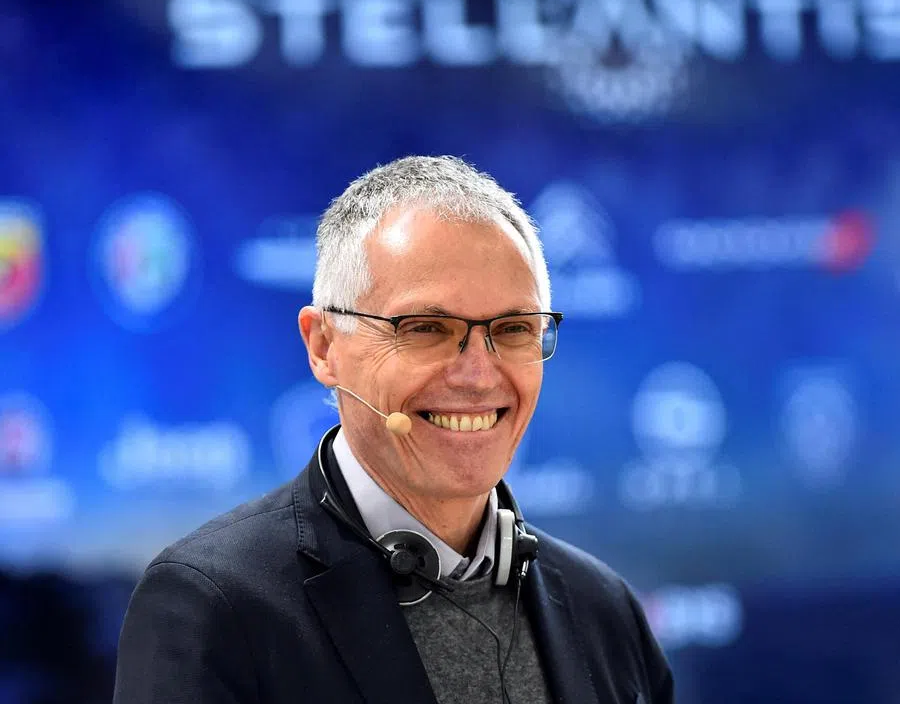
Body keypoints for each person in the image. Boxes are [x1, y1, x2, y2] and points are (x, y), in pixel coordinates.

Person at [113, 155, 674, 704]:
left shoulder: (605, 609)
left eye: (513, 328)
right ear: (323, 347)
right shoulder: (210, 606)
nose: (479, 375)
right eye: (426, 328)